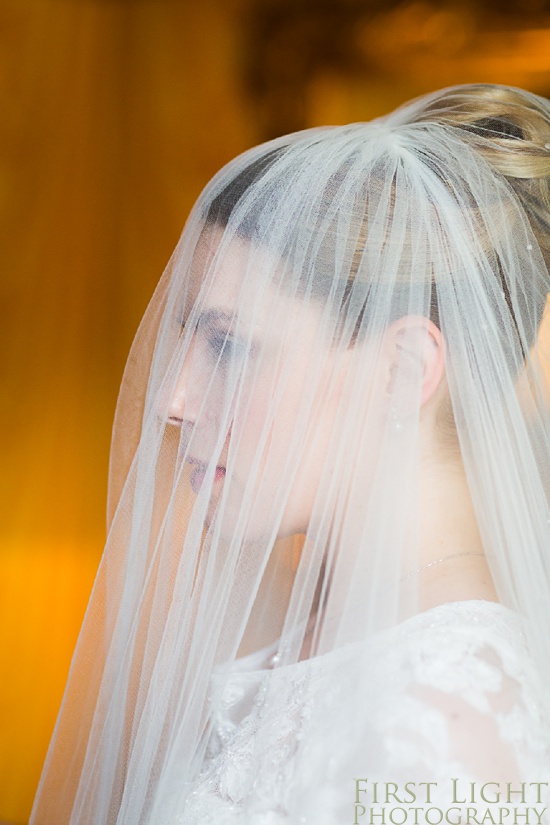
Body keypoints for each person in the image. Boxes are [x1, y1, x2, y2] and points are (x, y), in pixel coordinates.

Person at [31, 84, 550, 825]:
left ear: (401, 370)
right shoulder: (324, 639)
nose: (173, 399)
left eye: (228, 345)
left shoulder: (449, 715)